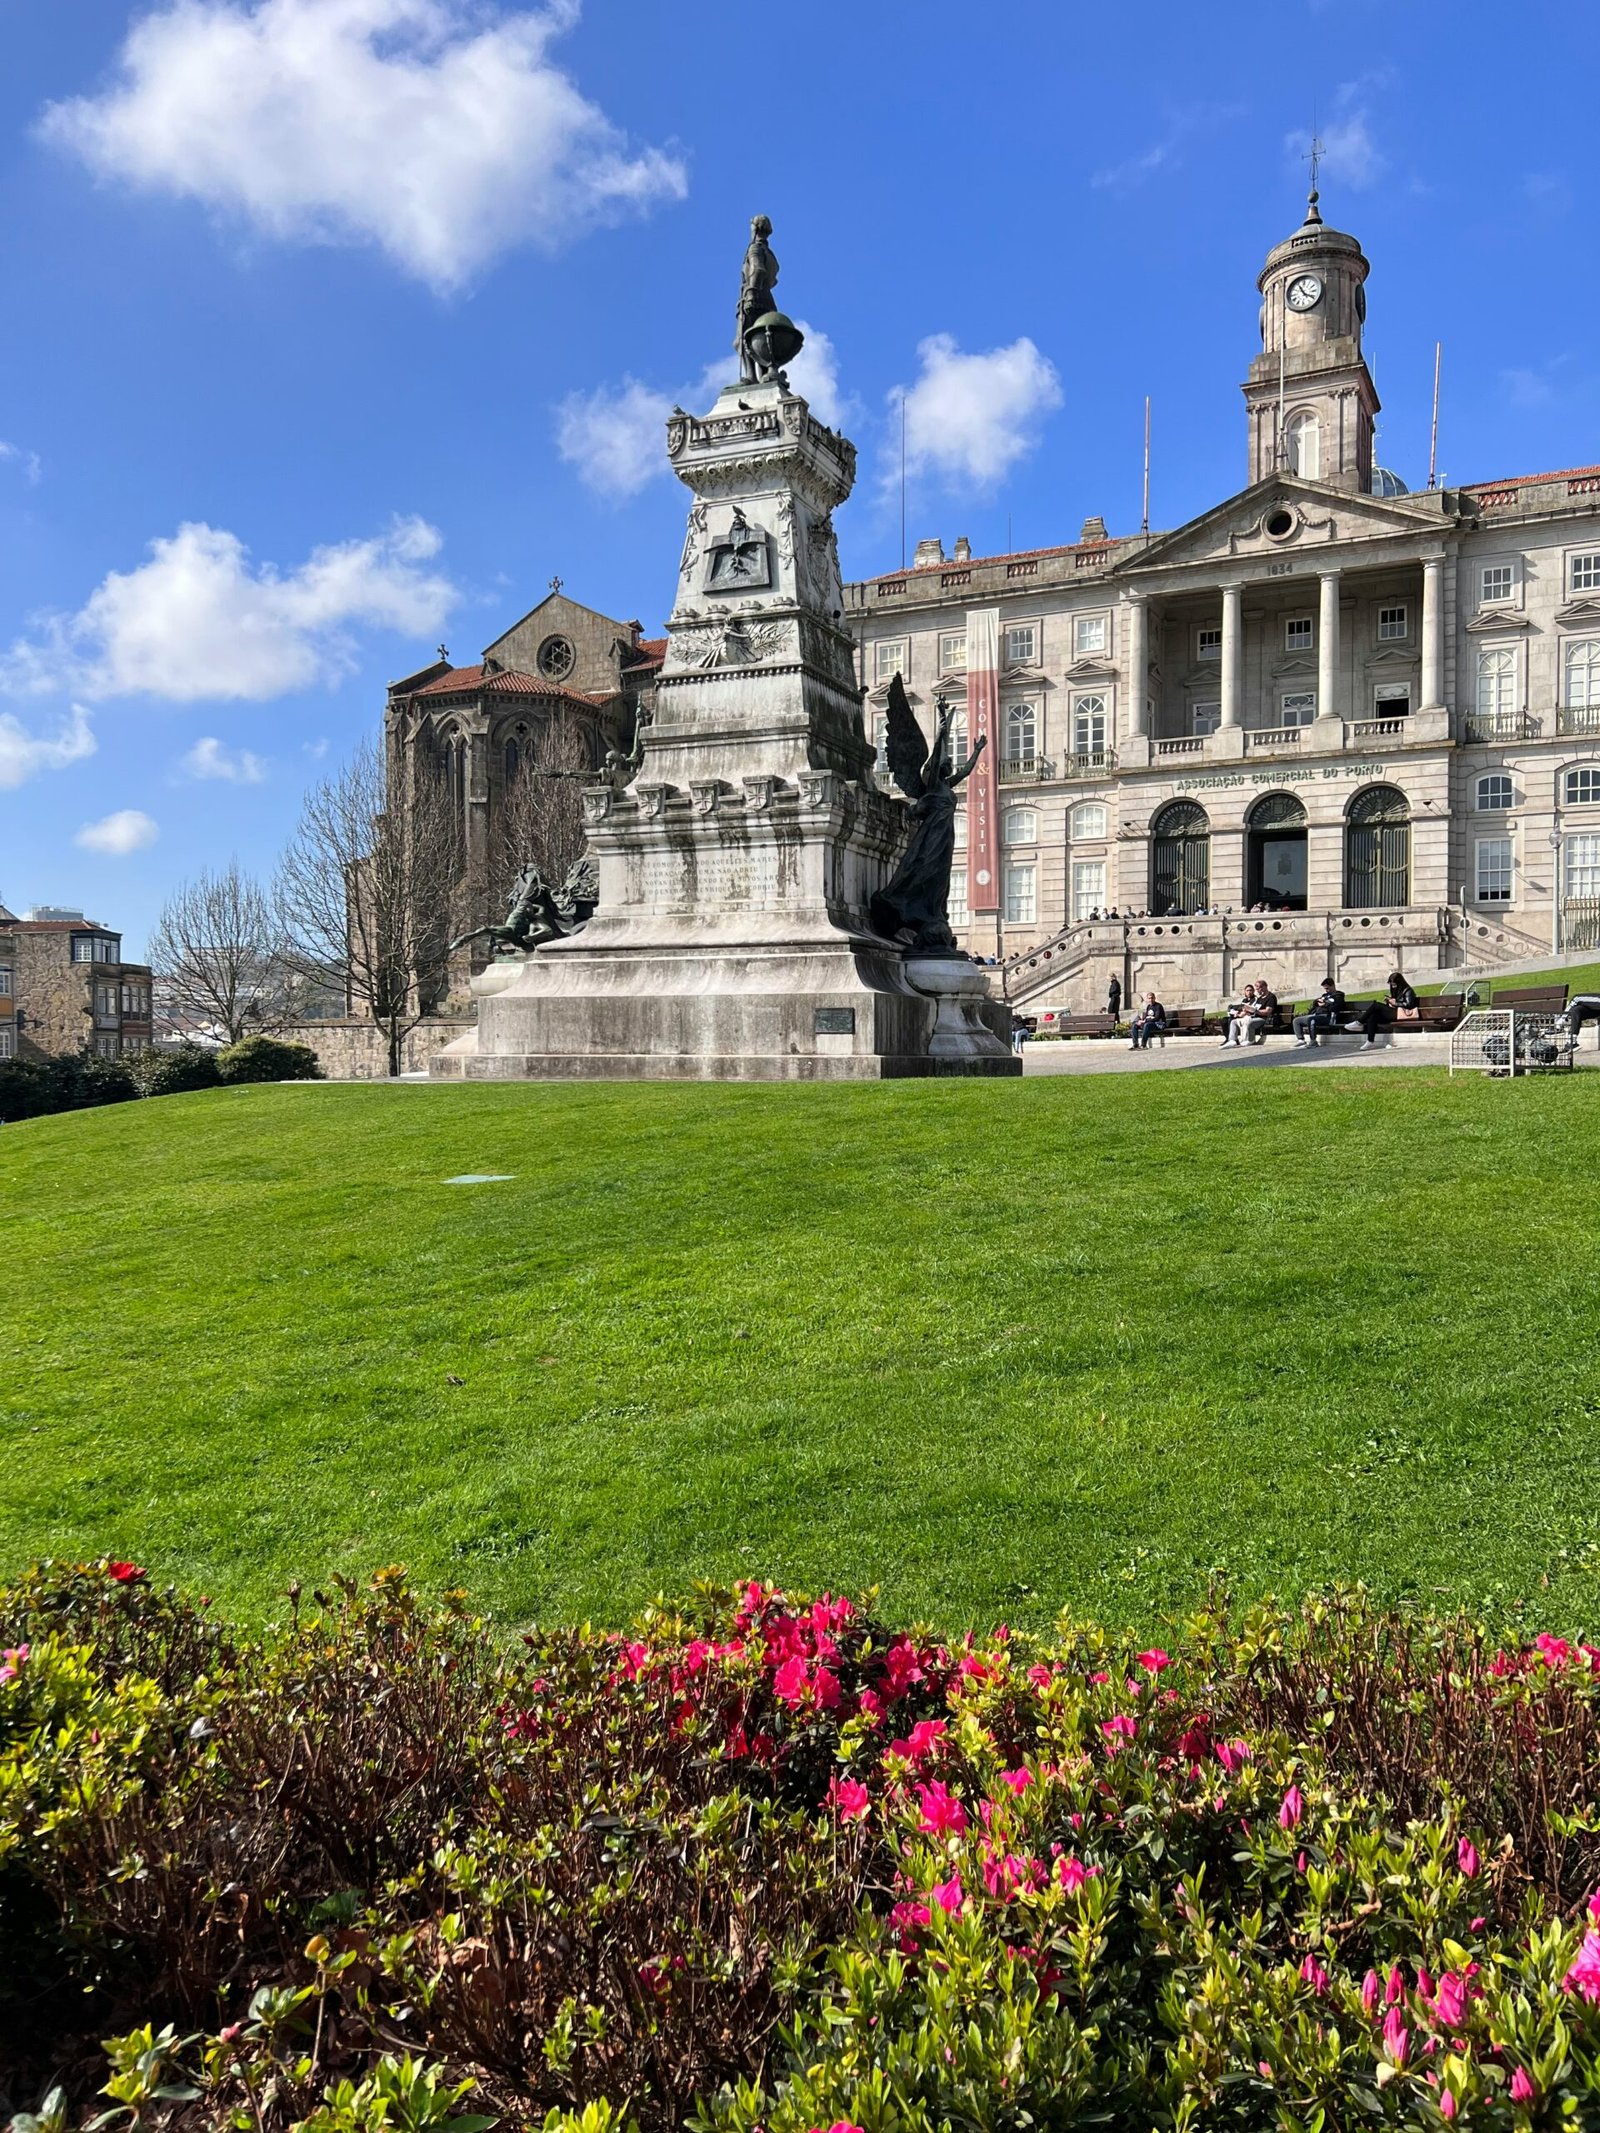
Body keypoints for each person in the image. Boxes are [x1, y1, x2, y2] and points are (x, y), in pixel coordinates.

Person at [1293, 978, 1346, 1047]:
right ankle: (1301, 1040)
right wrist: (1316, 1002)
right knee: (1296, 1020)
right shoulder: (1324, 996)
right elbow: (1315, 1006)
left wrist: (1325, 1005)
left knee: (1311, 1019)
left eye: (1327, 988)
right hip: (1316, 1015)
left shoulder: (1338, 996)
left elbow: (1337, 1008)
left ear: (1333, 985)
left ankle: (1313, 1041)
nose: (1326, 990)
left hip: (1327, 1016)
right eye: (1325, 989)